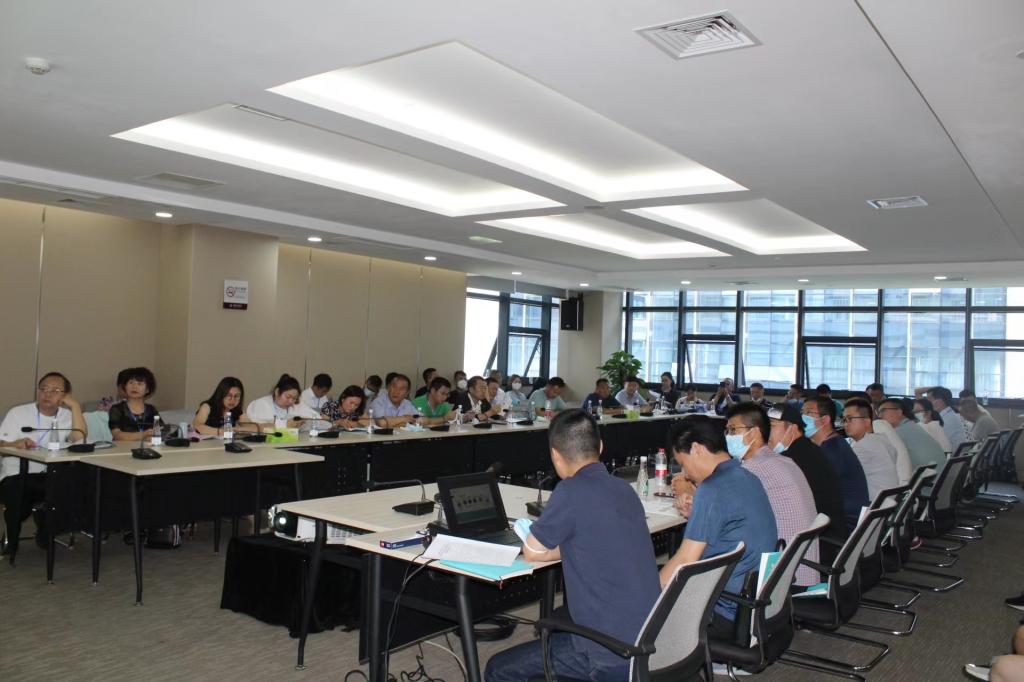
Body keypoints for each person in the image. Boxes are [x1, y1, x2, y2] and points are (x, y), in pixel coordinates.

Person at [486, 410, 660, 682]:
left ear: (555, 455)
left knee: (497, 669)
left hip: (611, 653)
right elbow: (594, 542)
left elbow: (533, 552)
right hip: (654, 638)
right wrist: (571, 545)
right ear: (600, 447)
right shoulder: (624, 489)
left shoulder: (570, 490)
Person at [660, 416, 777, 638]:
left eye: (682, 463)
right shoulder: (747, 477)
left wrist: (648, 595)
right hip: (755, 603)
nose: (685, 473)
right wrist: (698, 515)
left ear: (696, 449)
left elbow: (685, 561)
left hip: (723, 611)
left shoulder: (712, 488)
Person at [724, 403, 820, 586]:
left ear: (754, 432)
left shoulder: (754, 468)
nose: (728, 436)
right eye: (727, 430)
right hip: (801, 566)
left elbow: (723, 508)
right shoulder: (783, 460)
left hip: (781, 575)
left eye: (733, 430)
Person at [0, 372, 88, 546]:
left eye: (55, 391)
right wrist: (15, 444)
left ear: (65, 396)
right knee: (19, 494)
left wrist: (75, 406)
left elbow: (80, 440)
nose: (47, 394)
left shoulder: (67, 415)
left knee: (72, 486)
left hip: (50, 475)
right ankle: (12, 539)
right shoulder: (18, 413)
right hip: (16, 475)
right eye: (43, 389)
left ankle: (46, 531)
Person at [767, 404, 848, 557]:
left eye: (772, 426)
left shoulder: (791, 460)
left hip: (817, 546)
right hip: (826, 538)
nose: (765, 433)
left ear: (792, 428)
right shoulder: (807, 449)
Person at [802, 396, 869, 531]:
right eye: (801, 412)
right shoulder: (834, 443)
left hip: (844, 525)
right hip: (842, 518)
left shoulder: (832, 451)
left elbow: (815, 493)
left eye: (808, 413)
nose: (802, 418)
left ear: (825, 419)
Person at [842, 399, 899, 501]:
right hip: (888, 503)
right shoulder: (881, 439)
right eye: (844, 420)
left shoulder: (864, 447)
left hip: (874, 505)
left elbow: (840, 475)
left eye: (850, 419)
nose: (845, 424)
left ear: (866, 421)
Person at [877, 399, 947, 472]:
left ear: (899, 412)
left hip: (926, 477)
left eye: (883, 411)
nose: (879, 416)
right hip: (939, 475)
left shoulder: (897, 433)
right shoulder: (912, 426)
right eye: (878, 412)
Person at [246, 374, 322, 430]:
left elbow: (318, 419)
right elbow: (254, 427)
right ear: (277, 392)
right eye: (288, 397)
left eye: (294, 398)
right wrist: (285, 424)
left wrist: (303, 422)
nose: (291, 401)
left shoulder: (297, 406)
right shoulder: (261, 404)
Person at [108, 367, 162, 441]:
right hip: (123, 447)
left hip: (146, 447)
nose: (134, 387)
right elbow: (117, 435)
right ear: (125, 387)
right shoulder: (117, 409)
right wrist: (143, 435)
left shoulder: (151, 409)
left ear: (147, 389)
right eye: (131, 382)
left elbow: (161, 430)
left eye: (139, 384)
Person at [927, 386, 971, 452]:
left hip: (952, 456)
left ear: (939, 401)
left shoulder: (947, 420)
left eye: (929, 400)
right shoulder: (950, 414)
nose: (927, 403)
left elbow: (936, 443)